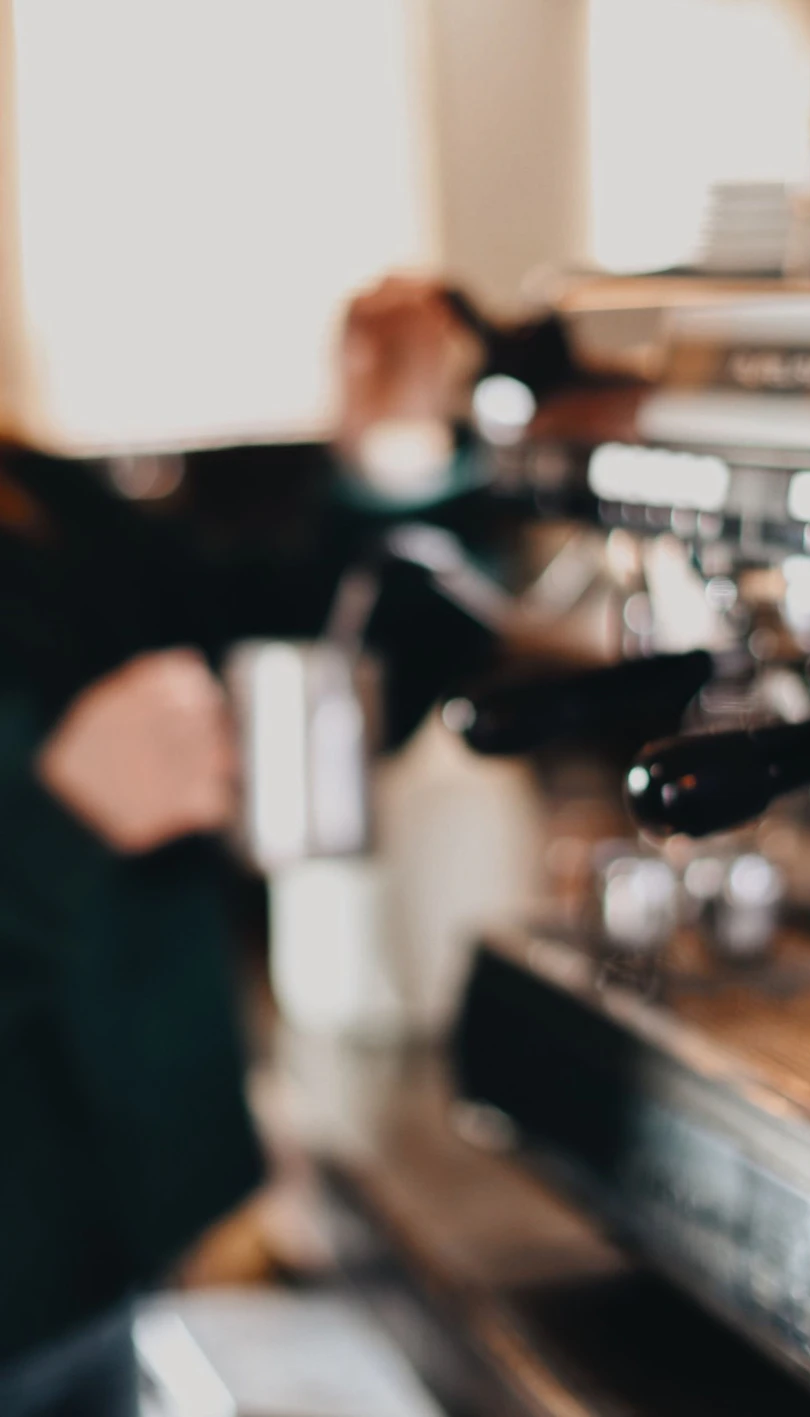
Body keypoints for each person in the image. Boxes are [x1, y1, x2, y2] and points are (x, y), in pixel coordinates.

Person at [0, 277, 512, 1415]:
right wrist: (56, 821)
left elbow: (292, 623)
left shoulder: (35, 502)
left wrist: (387, 448)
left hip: (99, 1242)